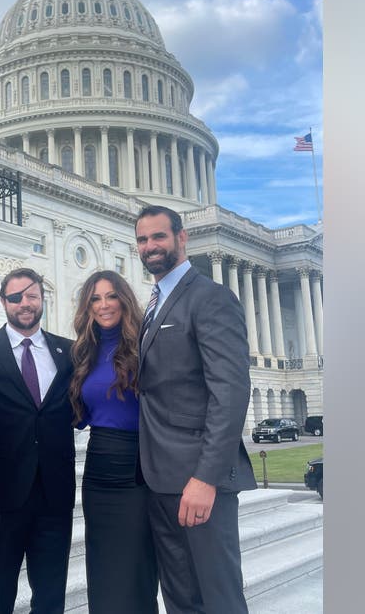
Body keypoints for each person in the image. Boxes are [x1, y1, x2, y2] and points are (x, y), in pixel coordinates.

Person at [133, 206, 257, 613]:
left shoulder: (211, 298)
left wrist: (206, 478)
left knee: (219, 597)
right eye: (142, 239)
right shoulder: (152, 305)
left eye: (159, 237)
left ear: (181, 238)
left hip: (199, 482)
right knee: (180, 598)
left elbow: (231, 391)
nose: (150, 246)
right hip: (160, 479)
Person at [0, 268, 75, 614]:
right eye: (15, 297)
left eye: (31, 296)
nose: (24, 304)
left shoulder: (69, 352)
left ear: (42, 300)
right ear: (3, 302)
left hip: (55, 495)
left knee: (51, 593)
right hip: (3, 495)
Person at [68, 270, 159, 614]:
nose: (104, 305)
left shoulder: (144, 346)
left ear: (124, 299)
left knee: (135, 567)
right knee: (103, 565)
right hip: (98, 469)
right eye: (95, 298)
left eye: (111, 296)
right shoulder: (82, 353)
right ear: (87, 306)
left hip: (138, 467)